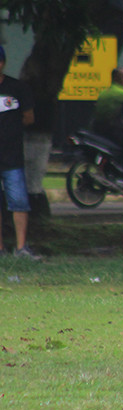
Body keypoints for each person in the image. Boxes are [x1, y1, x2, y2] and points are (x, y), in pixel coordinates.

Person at [0, 45, 40, 259]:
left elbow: (28, 117)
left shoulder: (17, 88)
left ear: (3, 63)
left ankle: (21, 247)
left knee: (19, 202)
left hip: (12, 156)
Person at [92, 68, 123, 148]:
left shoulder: (103, 92)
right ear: (117, 78)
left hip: (97, 127)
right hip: (114, 130)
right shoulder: (122, 93)